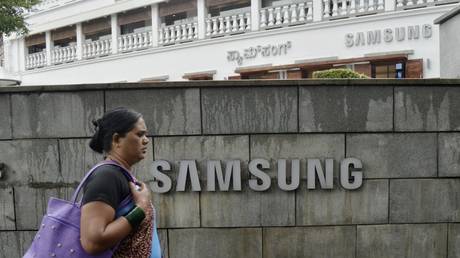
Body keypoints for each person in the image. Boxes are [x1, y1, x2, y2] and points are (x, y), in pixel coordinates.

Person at [80, 107, 161, 258]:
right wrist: (140, 209)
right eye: (139, 134)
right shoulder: (106, 177)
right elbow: (93, 242)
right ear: (117, 139)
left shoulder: (120, 175)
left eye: (146, 134)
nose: (146, 140)